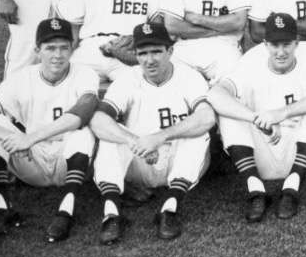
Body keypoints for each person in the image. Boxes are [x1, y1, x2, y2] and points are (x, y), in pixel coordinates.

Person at [0, 18, 99, 243]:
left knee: (83, 131)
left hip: (69, 161)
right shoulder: (22, 77)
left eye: (63, 47)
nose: (57, 55)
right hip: (33, 162)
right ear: (38, 50)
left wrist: (30, 138)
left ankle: (66, 211)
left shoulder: (85, 74)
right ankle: (2, 207)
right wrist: (12, 137)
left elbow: (81, 114)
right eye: (50, 48)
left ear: (72, 48)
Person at [89, 22, 215, 243]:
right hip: (139, 156)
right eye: (143, 53)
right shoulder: (128, 79)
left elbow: (207, 117)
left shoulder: (189, 76)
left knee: (198, 134)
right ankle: (111, 213)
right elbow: (98, 120)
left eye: (156, 51)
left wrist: (160, 137)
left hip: (177, 159)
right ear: (136, 55)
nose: (150, 59)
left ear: (170, 51)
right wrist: (134, 140)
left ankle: (170, 208)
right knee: (110, 136)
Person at [207, 13, 306, 221]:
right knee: (229, 113)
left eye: (286, 44)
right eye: (275, 45)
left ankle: (292, 187)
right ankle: (255, 189)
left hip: (301, 152)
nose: (281, 52)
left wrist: (281, 113)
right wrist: (255, 118)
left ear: (296, 43)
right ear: (265, 44)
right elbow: (215, 94)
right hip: (261, 150)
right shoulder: (251, 61)